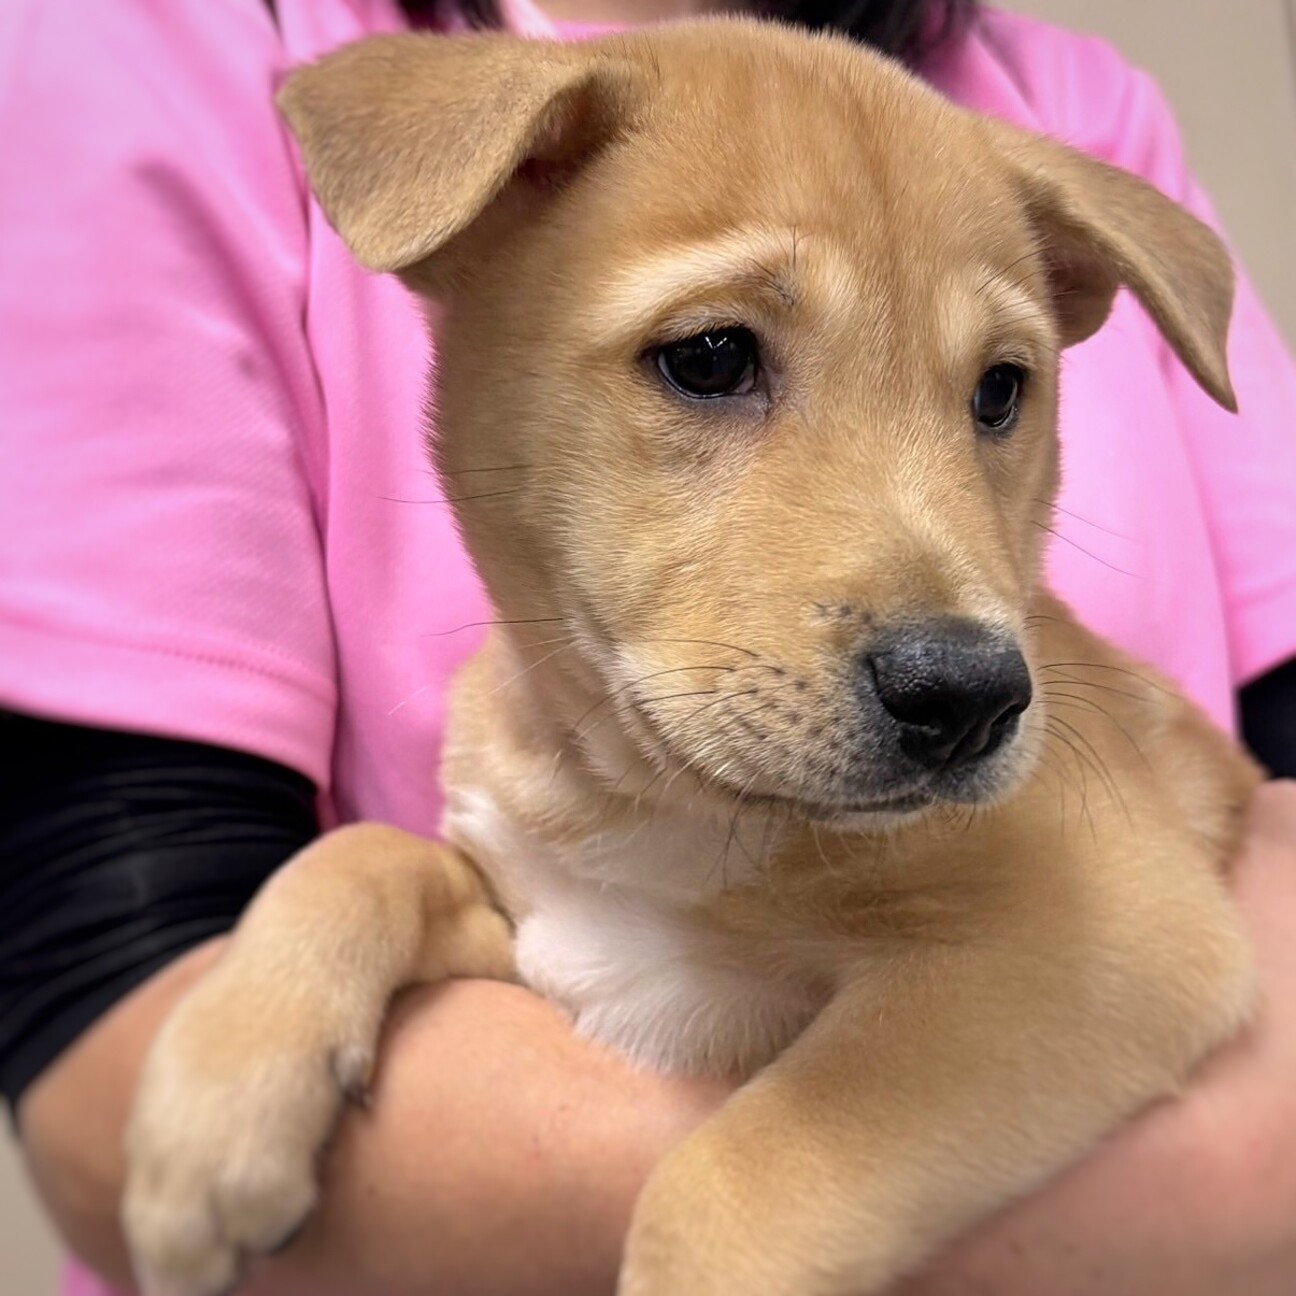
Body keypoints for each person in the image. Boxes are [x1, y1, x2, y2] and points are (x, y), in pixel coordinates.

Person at [1, 0, 1293, 1293]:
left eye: (995, 390)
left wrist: (727, 1237)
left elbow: (1140, 957)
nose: (950, 625)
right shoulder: (168, 47)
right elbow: (517, 940)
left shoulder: (1055, 101)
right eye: (714, 357)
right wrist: (346, 915)